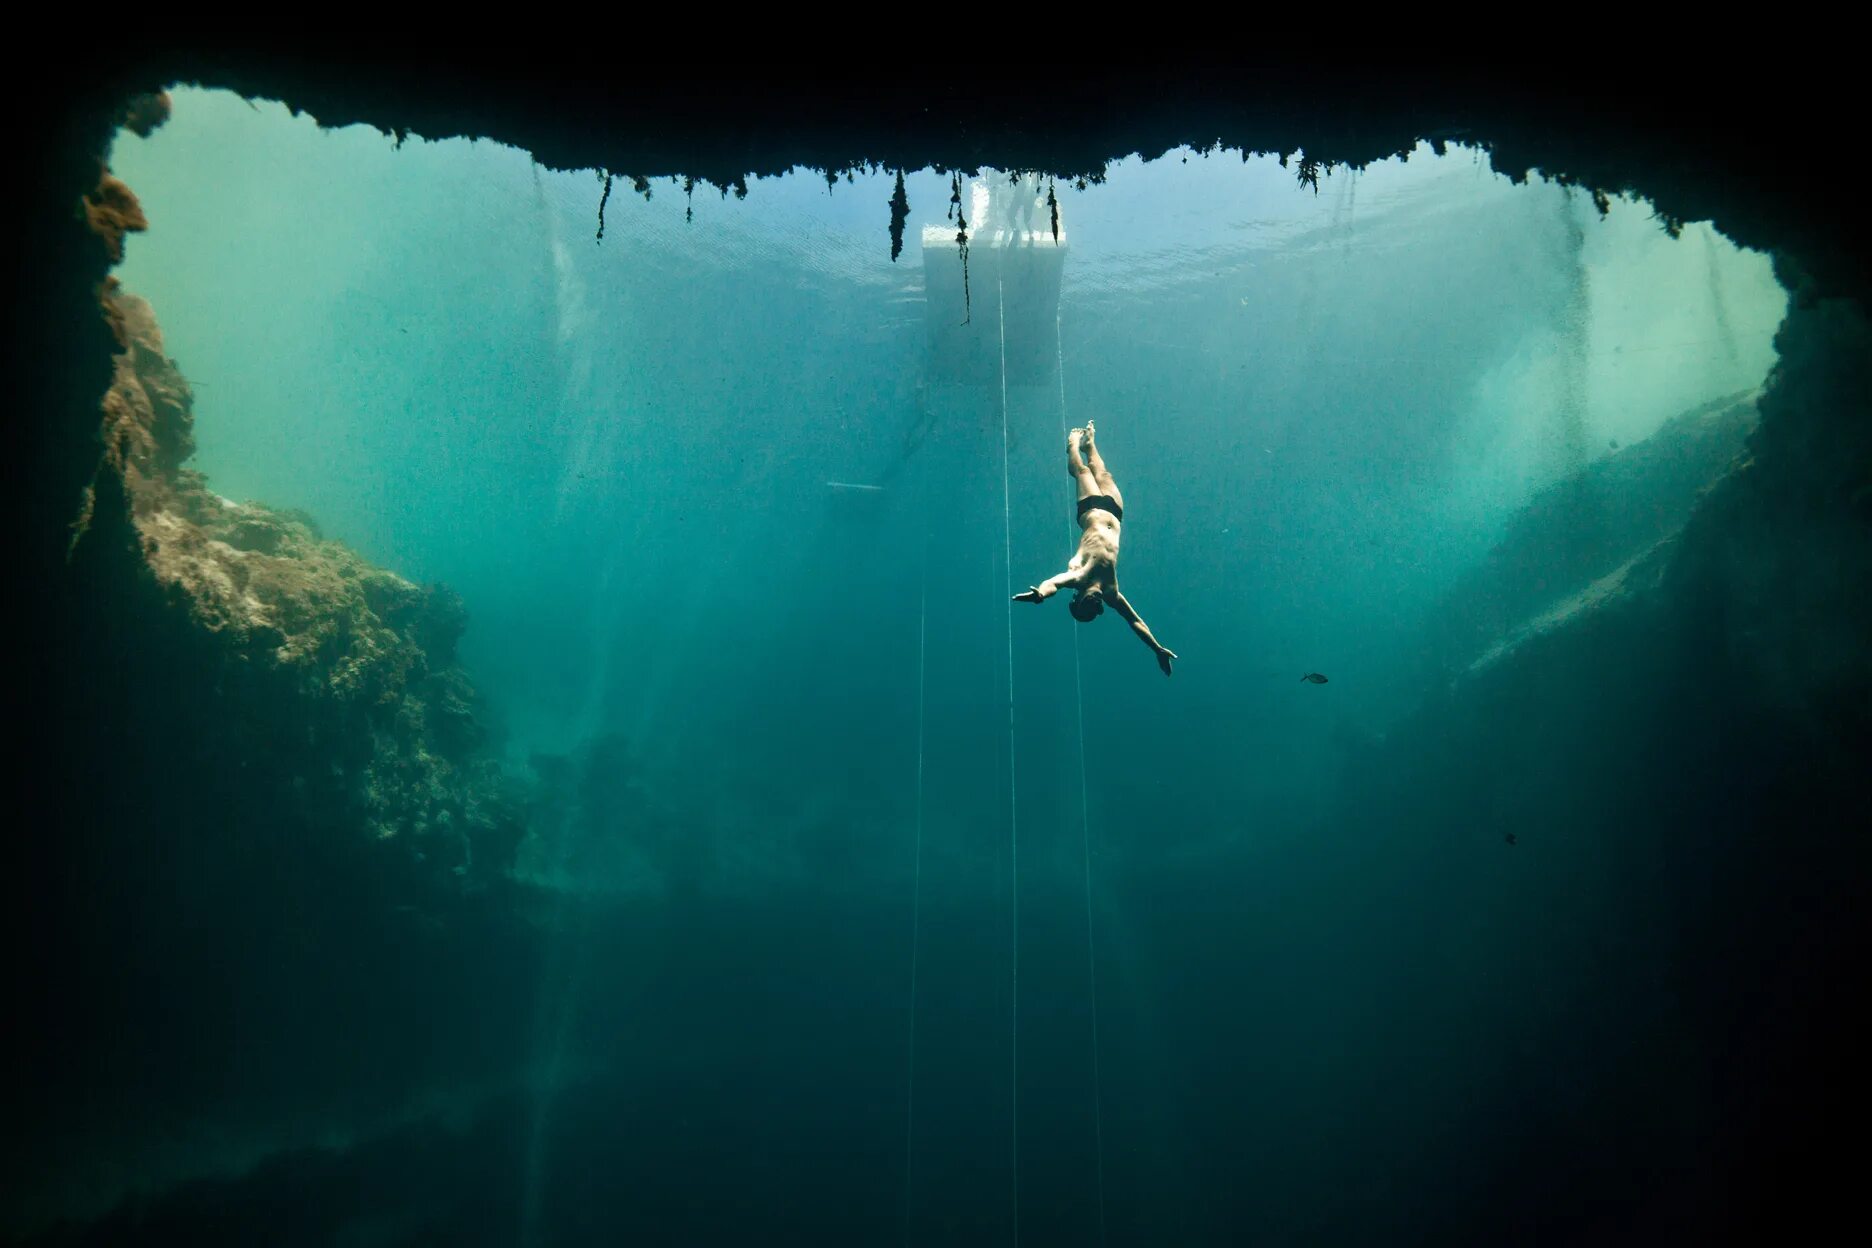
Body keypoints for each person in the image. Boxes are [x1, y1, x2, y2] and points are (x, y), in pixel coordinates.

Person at [1014, 422, 1177, 676]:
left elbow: (1053, 583)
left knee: (1081, 471)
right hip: (1114, 513)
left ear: (1077, 599)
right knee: (1105, 474)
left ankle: (1072, 447)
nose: (1095, 604)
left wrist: (1040, 595)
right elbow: (1134, 621)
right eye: (1095, 610)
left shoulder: (1078, 577)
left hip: (1090, 510)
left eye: (1086, 605)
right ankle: (1090, 445)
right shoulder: (1112, 592)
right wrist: (1156, 648)